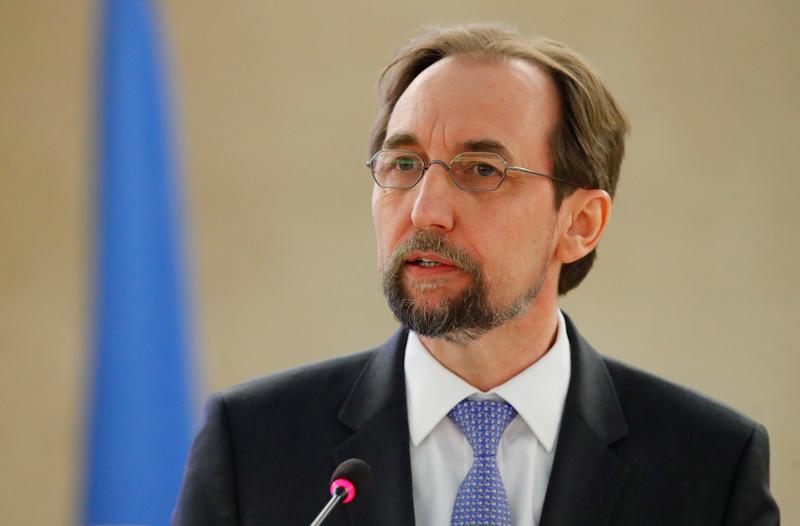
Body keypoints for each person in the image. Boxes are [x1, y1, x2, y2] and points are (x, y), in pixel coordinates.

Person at [172, 23, 779, 525]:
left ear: (580, 223)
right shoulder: (252, 445)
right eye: (404, 163)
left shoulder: (711, 468)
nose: (425, 211)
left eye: (483, 170)